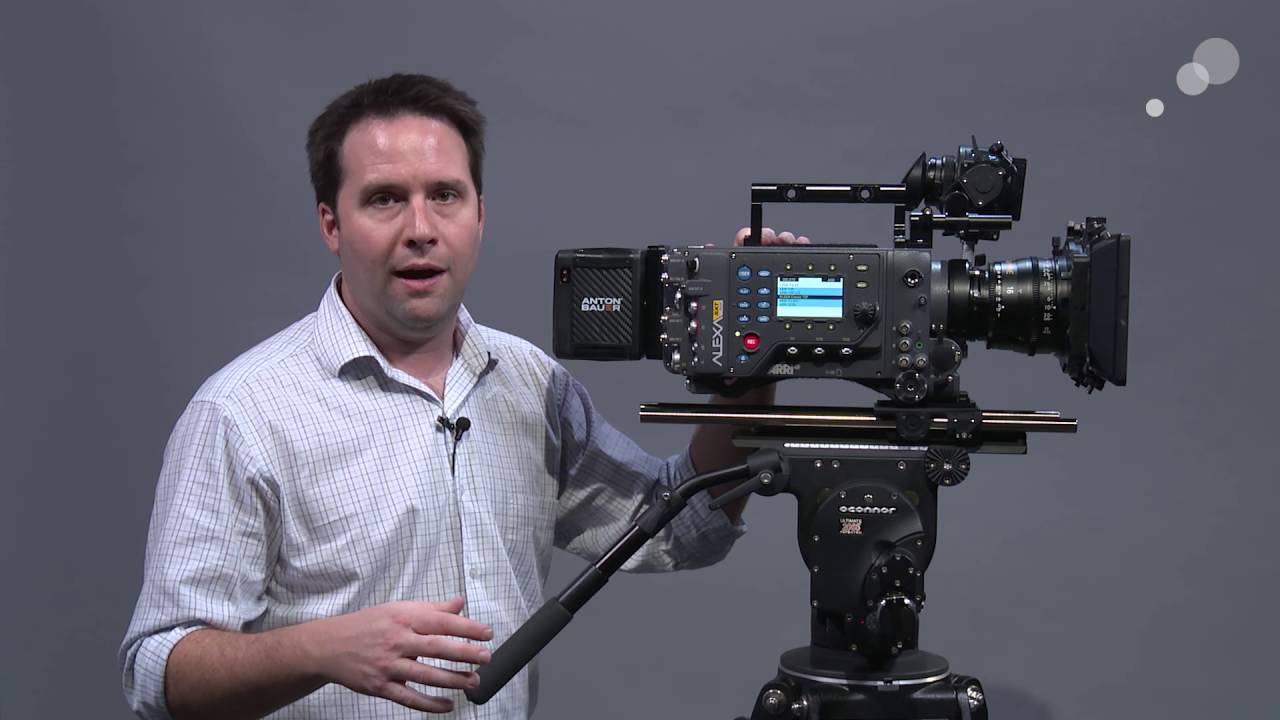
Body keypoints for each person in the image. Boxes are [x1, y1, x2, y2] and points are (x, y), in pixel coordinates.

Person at [119, 73, 807, 719]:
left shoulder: (530, 384)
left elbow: (685, 526)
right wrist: (319, 649)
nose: (421, 228)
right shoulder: (244, 413)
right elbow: (156, 674)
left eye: (445, 195)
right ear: (331, 224)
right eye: (385, 198)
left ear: (480, 215)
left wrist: (753, 373)